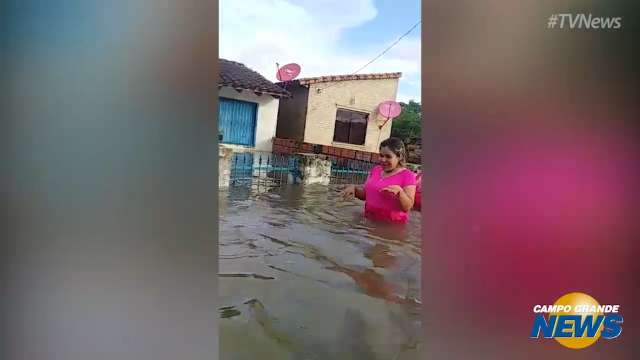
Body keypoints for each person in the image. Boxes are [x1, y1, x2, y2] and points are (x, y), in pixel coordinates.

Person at [342, 137, 417, 223]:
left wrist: (400, 193)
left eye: (388, 156)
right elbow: (366, 195)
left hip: (391, 227)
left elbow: (408, 207)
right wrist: (354, 189)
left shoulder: (407, 175)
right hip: (368, 222)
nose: (383, 160)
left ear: (399, 157)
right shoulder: (376, 170)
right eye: (381, 155)